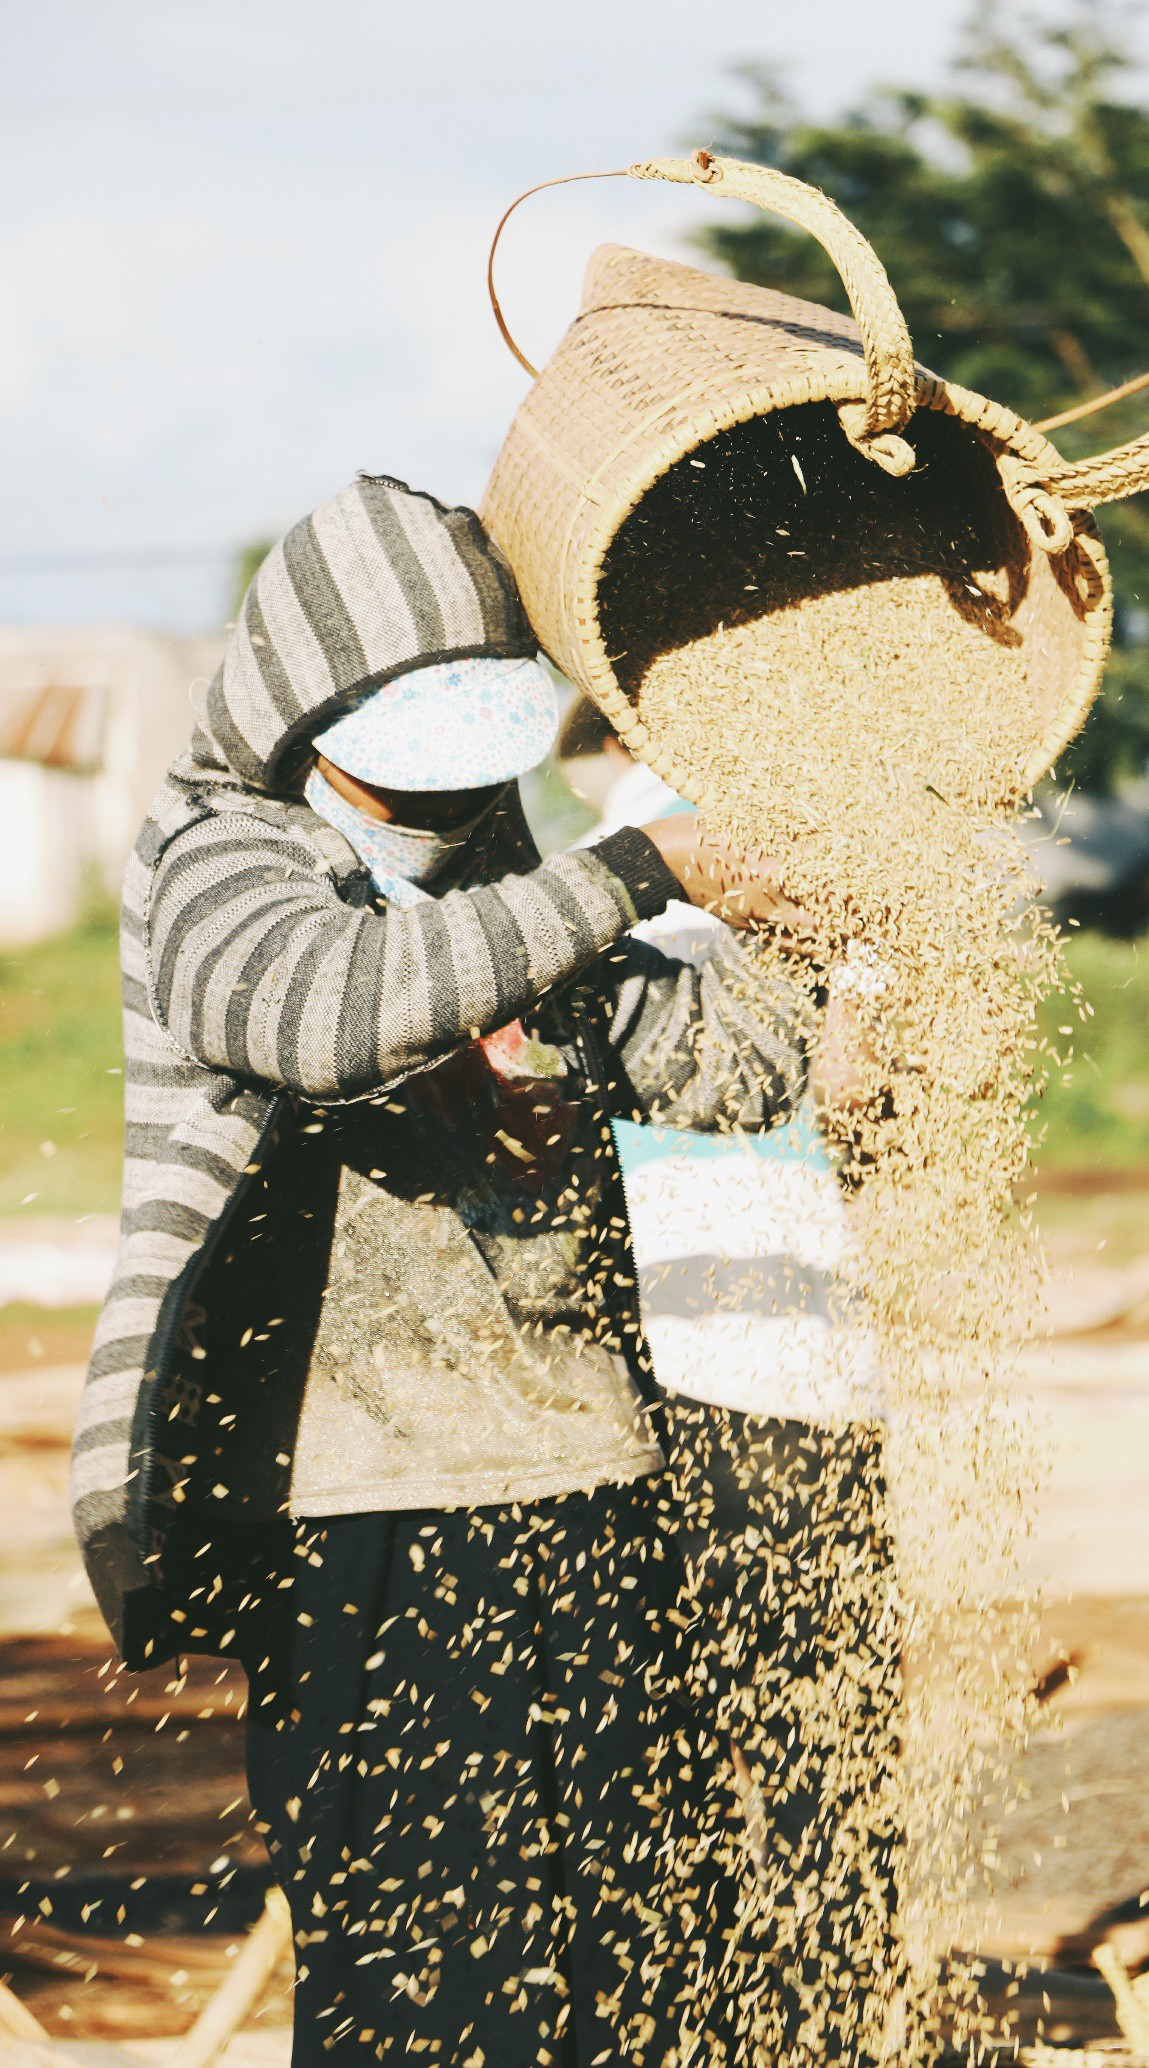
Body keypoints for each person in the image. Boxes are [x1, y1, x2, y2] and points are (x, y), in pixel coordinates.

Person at [69, 475, 823, 2067]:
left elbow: (722, 1071)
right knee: (431, 1985)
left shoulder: (512, 894)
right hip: (360, 1520)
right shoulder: (222, 861)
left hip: (595, 1493)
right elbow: (321, 1009)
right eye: (407, 767)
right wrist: (629, 874)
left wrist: (816, 908)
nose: (437, 805)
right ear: (298, 712)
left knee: (634, 1973)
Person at [560, 701, 908, 2066]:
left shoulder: (637, 866)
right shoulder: (730, 853)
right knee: (823, 1738)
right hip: (789, 1367)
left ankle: (715, 2018)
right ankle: (831, 2016)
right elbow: (861, 1052)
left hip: (684, 1373)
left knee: (687, 1741)